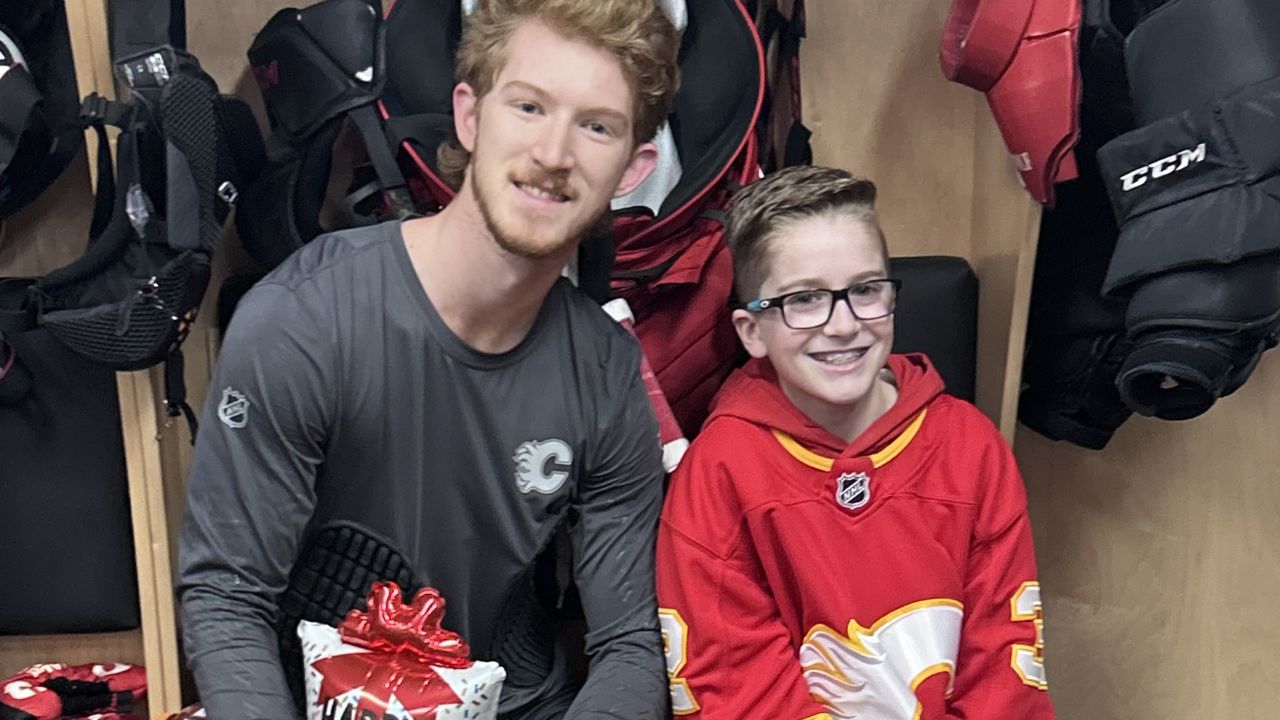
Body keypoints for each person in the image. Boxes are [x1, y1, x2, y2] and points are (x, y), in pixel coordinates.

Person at [177, 1, 680, 718]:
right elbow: (227, 598)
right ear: (470, 116)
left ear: (633, 167)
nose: (554, 153)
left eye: (595, 126)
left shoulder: (606, 375)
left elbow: (629, 644)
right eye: (530, 107)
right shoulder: (306, 320)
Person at [655, 165, 1055, 719]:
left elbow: (1005, 669)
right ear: (752, 332)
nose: (843, 325)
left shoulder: (970, 446)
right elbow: (734, 690)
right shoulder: (719, 471)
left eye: (865, 290)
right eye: (803, 300)